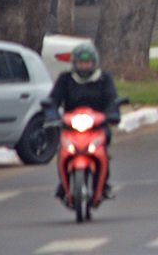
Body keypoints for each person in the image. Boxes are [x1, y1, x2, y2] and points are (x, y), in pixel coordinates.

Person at [49, 42, 120, 199]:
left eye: (87, 63)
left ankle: (104, 185)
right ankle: (64, 183)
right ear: (74, 64)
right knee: (63, 151)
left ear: (94, 63)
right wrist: (51, 114)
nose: (84, 66)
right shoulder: (65, 79)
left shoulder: (104, 79)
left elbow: (111, 100)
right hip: (70, 126)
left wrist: (112, 114)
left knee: (102, 150)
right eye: (81, 63)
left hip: (97, 125)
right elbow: (53, 100)